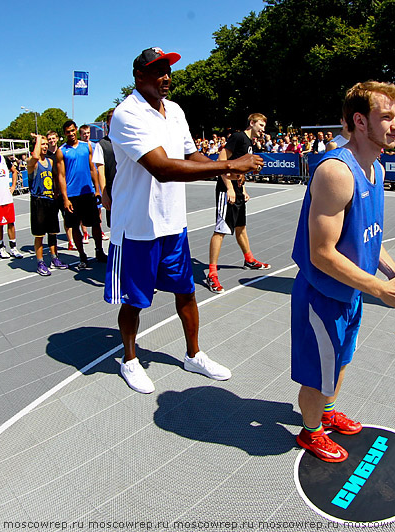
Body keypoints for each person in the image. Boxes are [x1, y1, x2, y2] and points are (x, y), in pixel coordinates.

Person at [105, 46, 263, 394]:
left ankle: (194, 354)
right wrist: (229, 165)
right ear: (139, 76)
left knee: (186, 292)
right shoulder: (127, 114)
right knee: (134, 300)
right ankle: (129, 360)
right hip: (137, 227)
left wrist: (225, 174)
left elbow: (191, 155)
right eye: (158, 70)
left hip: (173, 223)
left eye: (169, 70)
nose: (166, 77)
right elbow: (162, 168)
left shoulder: (175, 111)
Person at [291, 81, 395, 462]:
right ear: (360, 121)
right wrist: (381, 290)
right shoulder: (337, 172)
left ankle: (327, 412)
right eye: (387, 117)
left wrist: (394, 271)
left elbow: (369, 236)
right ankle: (311, 430)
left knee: (342, 359)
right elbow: (321, 254)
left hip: (352, 291)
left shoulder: (377, 170)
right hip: (323, 295)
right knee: (319, 373)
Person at [207, 113, 271, 293]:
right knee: (221, 230)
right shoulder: (238, 137)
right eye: (260, 125)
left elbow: (240, 169)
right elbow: (221, 160)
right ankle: (212, 273)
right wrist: (229, 187)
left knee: (241, 227)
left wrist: (242, 188)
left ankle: (249, 259)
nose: (262, 129)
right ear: (251, 123)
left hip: (237, 189)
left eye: (264, 127)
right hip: (226, 189)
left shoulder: (249, 143)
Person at [55, 120, 102, 269]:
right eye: (67, 132)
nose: (71, 134)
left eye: (72, 130)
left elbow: (93, 168)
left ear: (76, 130)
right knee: (74, 226)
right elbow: (61, 176)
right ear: (65, 134)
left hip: (88, 192)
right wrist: (65, 198)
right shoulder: (62, 151)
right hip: (72, 195)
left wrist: (97, 189)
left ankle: (99, 251)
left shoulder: (86, 146)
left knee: (96, 223)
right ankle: (82, 255)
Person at [27, 134, 68, 275]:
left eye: (46, 144)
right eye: (42, 144)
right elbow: (34, 157)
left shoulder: (50, 162)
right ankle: (40, 262)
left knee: (53, 232)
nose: (45, 146)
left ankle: (54, 258)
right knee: (39, 234)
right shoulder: (32, 162)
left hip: (50, 199)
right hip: (38, 201)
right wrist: (38, 139)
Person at [78, 123, 108, 250]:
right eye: (84, 134)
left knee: (98, 209)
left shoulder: (96, 146)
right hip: (84, 182)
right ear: (81, 135)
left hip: (95, 182)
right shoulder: (79, 147)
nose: (86, 135)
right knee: (82, 211)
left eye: (88, 133)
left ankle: (99, 230)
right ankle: (85, 233)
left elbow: (98, 165)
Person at [99, 108, 117, 229]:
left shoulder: (128, 141)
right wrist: (104, 194)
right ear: (108, 123)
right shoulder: (103, 144)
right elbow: (100, 171)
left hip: (129, 191)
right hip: (112, 191)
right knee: (115, 228)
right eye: (112, 119)